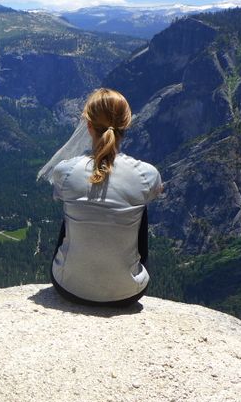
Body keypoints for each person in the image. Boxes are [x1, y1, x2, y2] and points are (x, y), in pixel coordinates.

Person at [49, 88, 162, 307]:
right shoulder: (147, 174)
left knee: (73, 207)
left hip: (69, 287)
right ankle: (126, 274)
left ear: (88, 126)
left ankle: (76, 268)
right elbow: (159, 189)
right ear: (126, 126)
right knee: (140, 206)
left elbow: (63, 193)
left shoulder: (65, 171)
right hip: (128, 293)